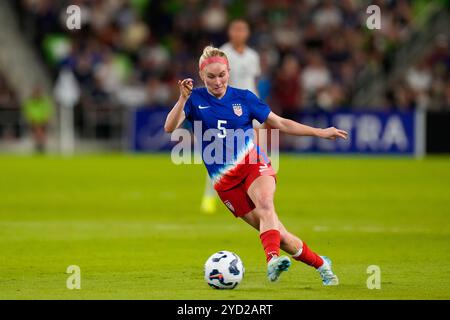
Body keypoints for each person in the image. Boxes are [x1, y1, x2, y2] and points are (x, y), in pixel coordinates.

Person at [164, 46, 348, 284]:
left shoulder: (244, 98)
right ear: (202, 76)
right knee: (279, 236)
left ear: (229, 71)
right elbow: (170, 127)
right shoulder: (195, 99)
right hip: (224, 182)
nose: (217, 81)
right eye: (211, 76)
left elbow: (280, 122)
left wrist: (320, 132)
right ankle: (322, 264)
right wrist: (182, 98)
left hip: (253, 163)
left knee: (265, 204)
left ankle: (271, 260)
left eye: (222, 74)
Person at [200, 19, 262, 214]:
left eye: (243, 29)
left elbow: (253, 81)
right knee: (220, 157)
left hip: (248, 108)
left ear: (248, 33)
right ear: (230, 32)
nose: (239, 33)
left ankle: (252, 195)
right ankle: (209, 197)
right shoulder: (223, 54)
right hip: (227, 110)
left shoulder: (253, 55)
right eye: (235, 29)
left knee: (252, 156)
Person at [23, 86, 54, 153]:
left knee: (41, 133)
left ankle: (41, 147)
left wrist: (43, 121)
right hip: (34, 122)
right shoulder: (30, 102)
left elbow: (47, 112)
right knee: (37, 133)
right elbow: (27, 113)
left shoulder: (44, 102)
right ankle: (37, 147)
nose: (36, 94)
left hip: (42, 122)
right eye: (35, 93)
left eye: (38, 93)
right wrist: (34, 121)